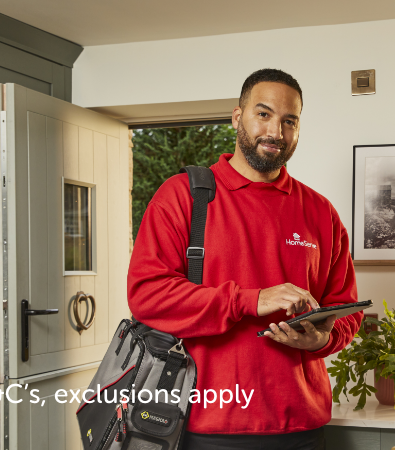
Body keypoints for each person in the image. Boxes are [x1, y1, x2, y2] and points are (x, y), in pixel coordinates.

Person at [127, 68, 362, 450]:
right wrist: (252, 300)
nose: (276, 132)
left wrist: (323, 338)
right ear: (238, 117)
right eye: (264, 114)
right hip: (209, 427)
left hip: (302, 427)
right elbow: (147, 295)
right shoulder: (182, 197)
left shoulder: (321, 212)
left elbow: (346, 308)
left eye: (290, 121)